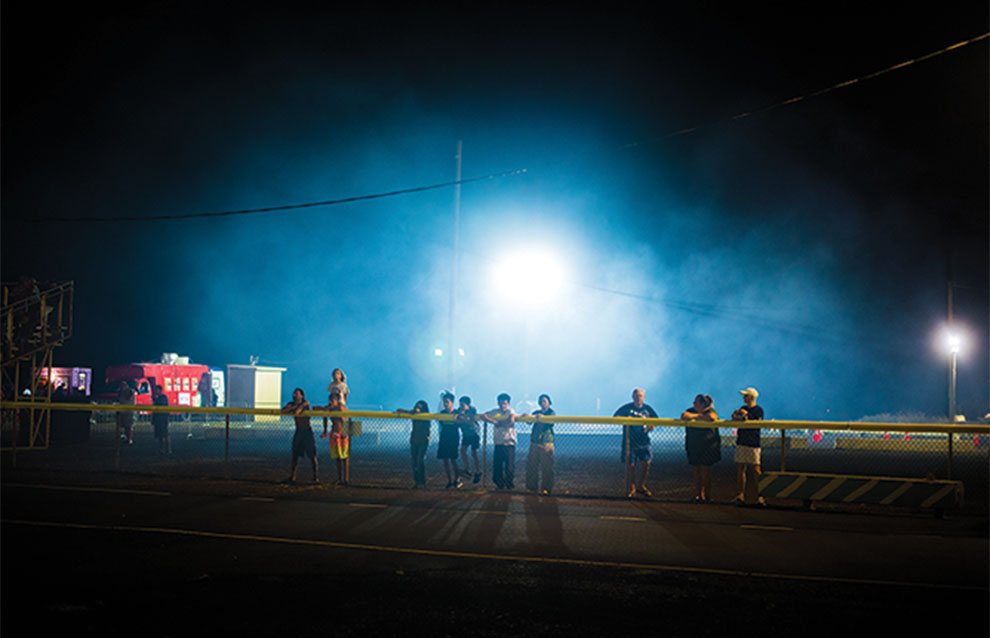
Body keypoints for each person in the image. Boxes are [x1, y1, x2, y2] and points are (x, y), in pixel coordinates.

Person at [615, 388, 658, 498]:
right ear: (633, 397)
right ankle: (632, 487)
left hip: (644, 441)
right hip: (630, 441)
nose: (638, 398)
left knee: (646, 463)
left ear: (644, 397)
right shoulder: (627, 408)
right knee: (631, 465)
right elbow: (616, 417)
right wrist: (625, 419)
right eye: (636, 395)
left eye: (640, 396)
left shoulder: (647, 409)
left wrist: (652, 425)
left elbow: (656, 419)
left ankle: (641, 485)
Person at [682, 394, 720, 503]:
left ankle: (707, 496)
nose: (693, 404)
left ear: (703, 404)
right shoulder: (690, 410)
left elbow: (711, 417)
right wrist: (699, 417)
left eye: (696, 402)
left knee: (706, 472)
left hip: (708, 447)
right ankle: (699, 495)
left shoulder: (711, 410)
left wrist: (694, 416)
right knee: (696, 471)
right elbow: (683, 415)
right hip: (694, 446)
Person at [732, 387, 765, 506]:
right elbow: (735, 419)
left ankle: (760, 496)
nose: (743, 398)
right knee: (741, 469)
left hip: (753, 443)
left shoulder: (758, 410)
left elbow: (756, 422)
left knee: (756, 470)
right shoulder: (743, 408)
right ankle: (741, 495)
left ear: (751, 397)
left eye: (745, 396)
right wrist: (737, 415)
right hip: (741, 441)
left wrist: (747, 415)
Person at [481, 393, 517, 489]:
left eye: (504, 403)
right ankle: (499, 484)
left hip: (509, 442)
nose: (502, 405)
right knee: (498, 466)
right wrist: (493, 421)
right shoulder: (495, 412)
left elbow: (511, 419)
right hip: (499, 443)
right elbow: (483, 416)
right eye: (501, 403)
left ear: (508, 403)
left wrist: (499, 423)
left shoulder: (510, 411)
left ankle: (509, 484)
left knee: (509, 467)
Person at [283, 388, 319, 484]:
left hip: (307, 431)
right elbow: (283, 410)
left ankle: (316, 477)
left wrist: (294, 408)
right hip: (298, 431)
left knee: (312, 455)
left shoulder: (305, 403)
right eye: (294, 393)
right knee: (295, 454)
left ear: (302, 396)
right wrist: (293, 407)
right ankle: (292, 476)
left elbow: (297, 412)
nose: (295, 395)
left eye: (297, 394)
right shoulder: (291, 404)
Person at [320, 371, 350, 485]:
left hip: (342, 432)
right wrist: (325, 431)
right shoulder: (330, 408)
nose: (331, 401)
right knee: (337, 456)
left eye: (333, 399)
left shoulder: (342, 408)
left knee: (345, 456)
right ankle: (339, 478)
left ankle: (346, 479)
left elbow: (346, 420)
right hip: (334, 431)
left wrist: (345, 433)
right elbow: (324, 415)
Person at [526, 393, 556, 494]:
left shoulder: (551, 413)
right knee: (532, 465)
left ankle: (546, 488)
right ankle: (531, 487)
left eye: (544, 401)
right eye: (541, 401)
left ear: (549, 403)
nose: (542, 403)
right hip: (535, 441)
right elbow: (528, 421)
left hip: (546, 442)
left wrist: (540, 417)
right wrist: (528, 416)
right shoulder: (536, 412)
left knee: (547, 467)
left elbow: (550, 422)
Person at [397, 399, 431, 488]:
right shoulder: (414, 415)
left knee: (420, 460)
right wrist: (409, 411)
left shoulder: (426, 416)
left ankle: (422, 482)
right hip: (414, 439)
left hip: (423, 440)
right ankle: (417, 481)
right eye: (416, 406)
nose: (417, 409)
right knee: (414, 461)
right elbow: (398, 410)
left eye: (419, 407)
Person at [436, 392, 461, 488]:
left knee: (453, 459)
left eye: (447, 402)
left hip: (453, 436)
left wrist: (455, 420)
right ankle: (450, 480)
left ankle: (457, 478)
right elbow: (441, 423)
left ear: (452, 402)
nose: (445, 404)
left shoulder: (456, 413)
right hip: (444, 435)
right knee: (445, 460)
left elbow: (459, 424)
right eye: (444, 402)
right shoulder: (442, 413)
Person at [456, 396, 481, 484]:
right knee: (462, 451)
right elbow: (457, 421)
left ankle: (478, 471)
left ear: (468, 405)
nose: (461, 406)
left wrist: (462, 416)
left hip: (474, 433)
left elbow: (469, 419)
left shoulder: (472, 409)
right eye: (460, 404)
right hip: (466, 434)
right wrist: (461, 417)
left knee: (474, 453)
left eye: (463, 405)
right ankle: (468, 469)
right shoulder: (459, 410)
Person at [151, 384, 171, 455]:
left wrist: (154, 399)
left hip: (163, 419)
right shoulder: (158, 398)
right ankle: (161, 449)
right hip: (158, 419)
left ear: (160, 390)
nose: (155, 391)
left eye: (157, 389)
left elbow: (161, 406)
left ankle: (168, 450)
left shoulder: (163, 397)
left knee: (165, 435)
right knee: (160, 436)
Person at [116, 381, 136, 445]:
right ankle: (126, 438)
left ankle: (129, 439)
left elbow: (128, 397)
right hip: (123, 412)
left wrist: (122, 392)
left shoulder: (130, 391)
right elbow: (118, 400)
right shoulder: (120, 392)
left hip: (129, 412)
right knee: (123, 426)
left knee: (129, 426)